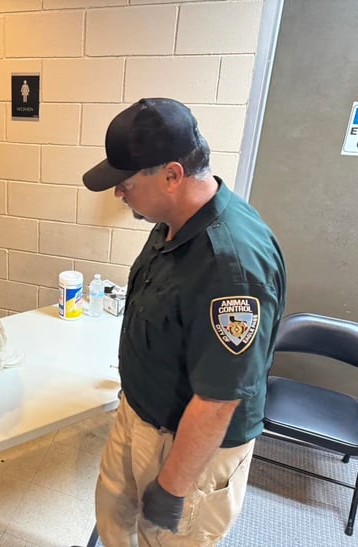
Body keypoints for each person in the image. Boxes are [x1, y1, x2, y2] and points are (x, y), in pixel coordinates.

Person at [83, 98, 286, 546]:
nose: (119, 193)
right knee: (115, 522)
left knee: (169, 539)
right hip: (139, 414)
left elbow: (218, 401)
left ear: (172, 175)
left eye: (126, 183)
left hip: (190, 447)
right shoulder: (172, 221)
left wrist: (173, 488)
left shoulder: (232, 268)